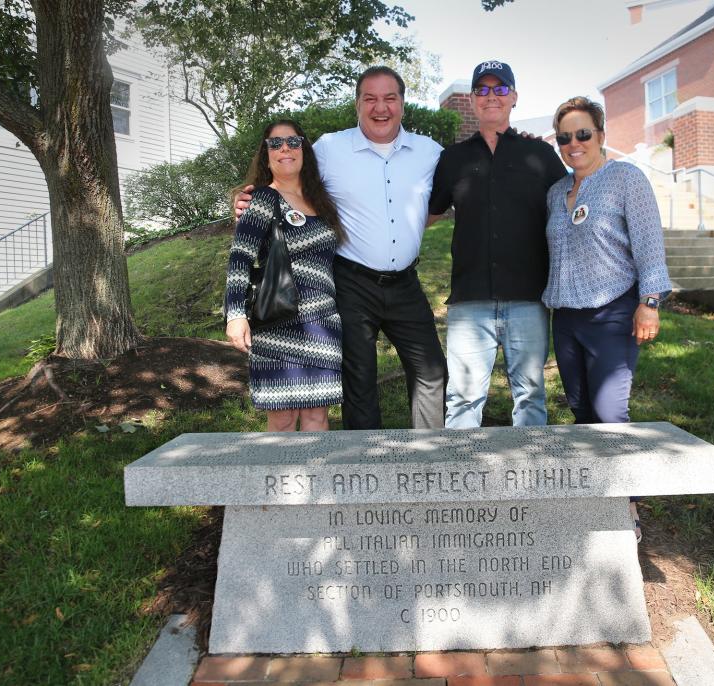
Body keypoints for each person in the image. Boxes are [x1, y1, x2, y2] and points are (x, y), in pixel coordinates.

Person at [235, 67, 446, 430]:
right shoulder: (331, 148)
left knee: (431, 371)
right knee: (358, 378)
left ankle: (427, 457)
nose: (381, 108)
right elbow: (288, 173)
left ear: (403, 104)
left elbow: (466, 185)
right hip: (352, 282)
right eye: (371, 99)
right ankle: (365, 468)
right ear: (357, 104)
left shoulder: (429, 152)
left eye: (390, 98)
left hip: (406, 284)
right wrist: (250, 200)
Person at [542, 96, 672, 541]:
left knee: (610, 410)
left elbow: (649, 243)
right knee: (581, 408)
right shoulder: (556, 193)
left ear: (600, 135)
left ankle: (626, 511)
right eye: (564, 137)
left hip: (615, 311)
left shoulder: (624, 179)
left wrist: (649, 300)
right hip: (567, 317)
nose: (573, 143)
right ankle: (595, 500)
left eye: (582, 134)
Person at [428, 60, 567, 429]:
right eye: (483, 90)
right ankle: (461, 479)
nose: (492, 96)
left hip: (528, 298)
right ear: (472, 100)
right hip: (469, 301)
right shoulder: (452, 159)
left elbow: (571, 206)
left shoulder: (539, 155)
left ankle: (531, 481)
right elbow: (426, 214)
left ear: (514, 97)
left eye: (500, 89)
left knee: (530, 397)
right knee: (462, 400)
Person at [225, 120, 346, 432]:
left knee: (318, 416)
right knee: (282, 418)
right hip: (279, 322)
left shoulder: (321, 201)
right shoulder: (263, 199)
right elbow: (240, 257)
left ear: (303, 148)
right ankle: (282, 482)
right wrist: (235, 314)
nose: (284, 149)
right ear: (266, 154)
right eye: (275, 144)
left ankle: (317, 481)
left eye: (293, 142)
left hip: (322, 324)